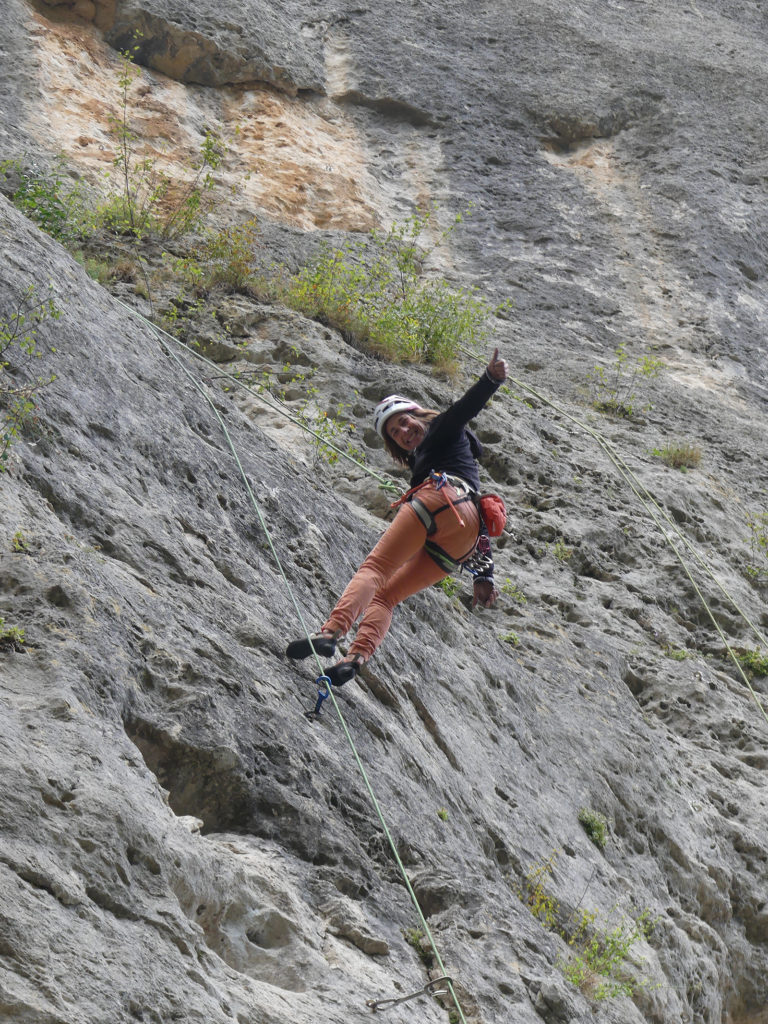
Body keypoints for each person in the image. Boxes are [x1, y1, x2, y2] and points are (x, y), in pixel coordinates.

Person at [286, 347, 508, 685]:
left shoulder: (440, 430)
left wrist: (489, 380)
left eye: (404, 421)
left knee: (375, 569)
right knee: (386, 596)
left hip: (439, 501)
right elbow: (473, 517)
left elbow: (464, 409)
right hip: (463, 536)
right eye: (395, 433)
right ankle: (356, 658)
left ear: (419, 415)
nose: (404, 431)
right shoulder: (453, 457)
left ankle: (331, 632)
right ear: (398, 447)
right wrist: (484, 577)